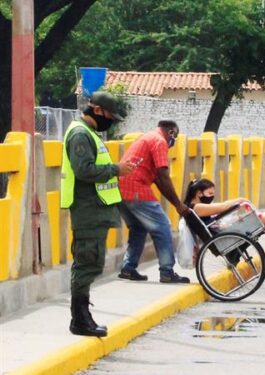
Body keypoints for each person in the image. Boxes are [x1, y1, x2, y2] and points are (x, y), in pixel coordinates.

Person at [61, 91, 136, 337]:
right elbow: (83, 170)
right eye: (110, 116)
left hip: (95, 209)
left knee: (91, 262)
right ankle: (80, 320)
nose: (111, 120)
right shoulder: (81, 134)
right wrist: (117, 169)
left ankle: (83, 317)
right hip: (87, 210)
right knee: (86, 263)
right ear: (97, 110)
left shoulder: (89, 133)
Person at [117, 120, 191, 283]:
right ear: (171, 132)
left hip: (121, 190)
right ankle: (167, 271)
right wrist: (178, 205)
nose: (174, 141)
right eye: (175, 136)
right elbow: (163, 175)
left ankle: (128, 268)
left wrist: (176, 203)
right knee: (163, 226)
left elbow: (157, 177)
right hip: (136, 189)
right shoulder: (159, 141)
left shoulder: (147, 137)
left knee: (138, 227)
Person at [183, 178, 265, 266]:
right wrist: (240, 200)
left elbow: (223, 205)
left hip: (222, 232)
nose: (212, 197)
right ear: (199, 193)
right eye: (210, 194)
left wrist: (238, 202)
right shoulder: (197, 208)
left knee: (264, 217)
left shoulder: (196, 207)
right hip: (223, 238)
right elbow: (223, 207)